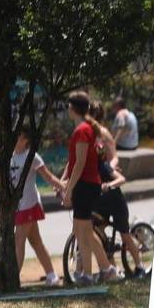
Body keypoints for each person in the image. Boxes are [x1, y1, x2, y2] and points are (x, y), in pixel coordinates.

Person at [58, 91, 118, 283]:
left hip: (85, 185)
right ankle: (106, 269)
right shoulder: (85, 128)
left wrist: (68, 190)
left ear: (72, 108)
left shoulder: (82, 130)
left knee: (82, 231)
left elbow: (80, 163)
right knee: (83, 230)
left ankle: (87, 274)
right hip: (87, 184)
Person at [4, 132, 58, 286]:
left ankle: (14, 279)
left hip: (29, 204)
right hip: (18, 206)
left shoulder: (32, 156)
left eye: (20, 135)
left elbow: (48, 177)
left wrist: (64, 188)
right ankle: (52, 275)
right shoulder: (10, 156)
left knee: (18, 240)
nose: (15, 137)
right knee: (36, 242)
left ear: (26, 139)